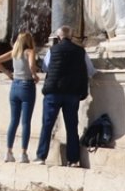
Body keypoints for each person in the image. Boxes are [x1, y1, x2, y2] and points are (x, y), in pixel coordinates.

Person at [34, 26, 96, 167]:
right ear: (71, 36)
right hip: (72, 93)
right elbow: (90, 70)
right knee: (72, 126)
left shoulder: (52, 50)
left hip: (53, 92)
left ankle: (41, 157)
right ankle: (73, 159)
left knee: (47, 125)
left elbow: (45, 67)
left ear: (58, 37)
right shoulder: (80, 51)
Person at [0, 32, 39, 163]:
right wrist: (34, 75)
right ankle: (23, 153)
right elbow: (31, 65)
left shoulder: (14, 53)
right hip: (26, 86)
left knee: (13, 121)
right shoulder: (30, 52)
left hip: (14, 86)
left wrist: (7, 73)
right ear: (29, 41)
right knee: (25, 122)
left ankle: (8, 152)